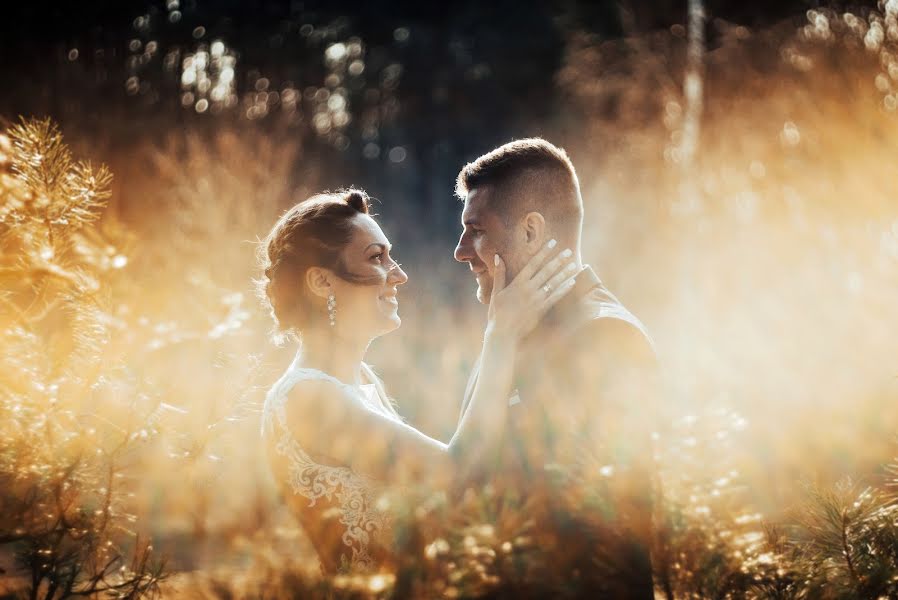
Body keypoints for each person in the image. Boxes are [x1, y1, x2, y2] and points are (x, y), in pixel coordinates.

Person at [258, 188, 578, 574]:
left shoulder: (359, 380)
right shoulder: (308, 397)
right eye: (377, 257)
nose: (399, 275)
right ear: (322, 282)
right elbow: (454, 476)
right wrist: (500, 335)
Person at [453, 138, 659, 598]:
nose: (462, 251)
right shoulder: (507, 329)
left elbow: (603, 530)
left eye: (477, 230)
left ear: (530, 231)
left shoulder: (606, 337)